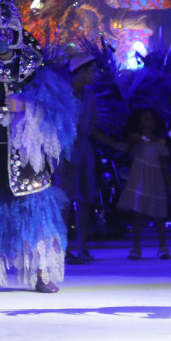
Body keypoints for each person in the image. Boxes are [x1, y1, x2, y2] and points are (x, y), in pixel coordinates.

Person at [0, 0, 79, 294]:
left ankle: (42, 273)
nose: (3, 40)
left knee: (36, 214)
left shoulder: (34, 68)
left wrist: (27, 106)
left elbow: (60, 112)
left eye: (8, 32)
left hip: (25, 161)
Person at [58, 53, 109, 264]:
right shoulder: (61, 93)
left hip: (84, 147)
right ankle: (62, 249)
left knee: (85, 198)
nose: (96, 74)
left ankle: (83, 247)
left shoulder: (88, 95)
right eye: (93, 70)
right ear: (80, 71)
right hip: (65, 148)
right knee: (64, 200)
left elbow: (92, 124)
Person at [114, 108, 171, 260]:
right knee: (137, 214)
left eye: (150, 118)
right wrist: (134, 140)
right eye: (145, 118)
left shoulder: (160, 142)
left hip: (155, 180)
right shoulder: (136, 140)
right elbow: (128, 152)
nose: (148, 121)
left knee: (159, 216)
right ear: (139, 123)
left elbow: (163, 165)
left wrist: (170, 184)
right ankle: (136, 247)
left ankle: (162, 246)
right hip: (139, 179)